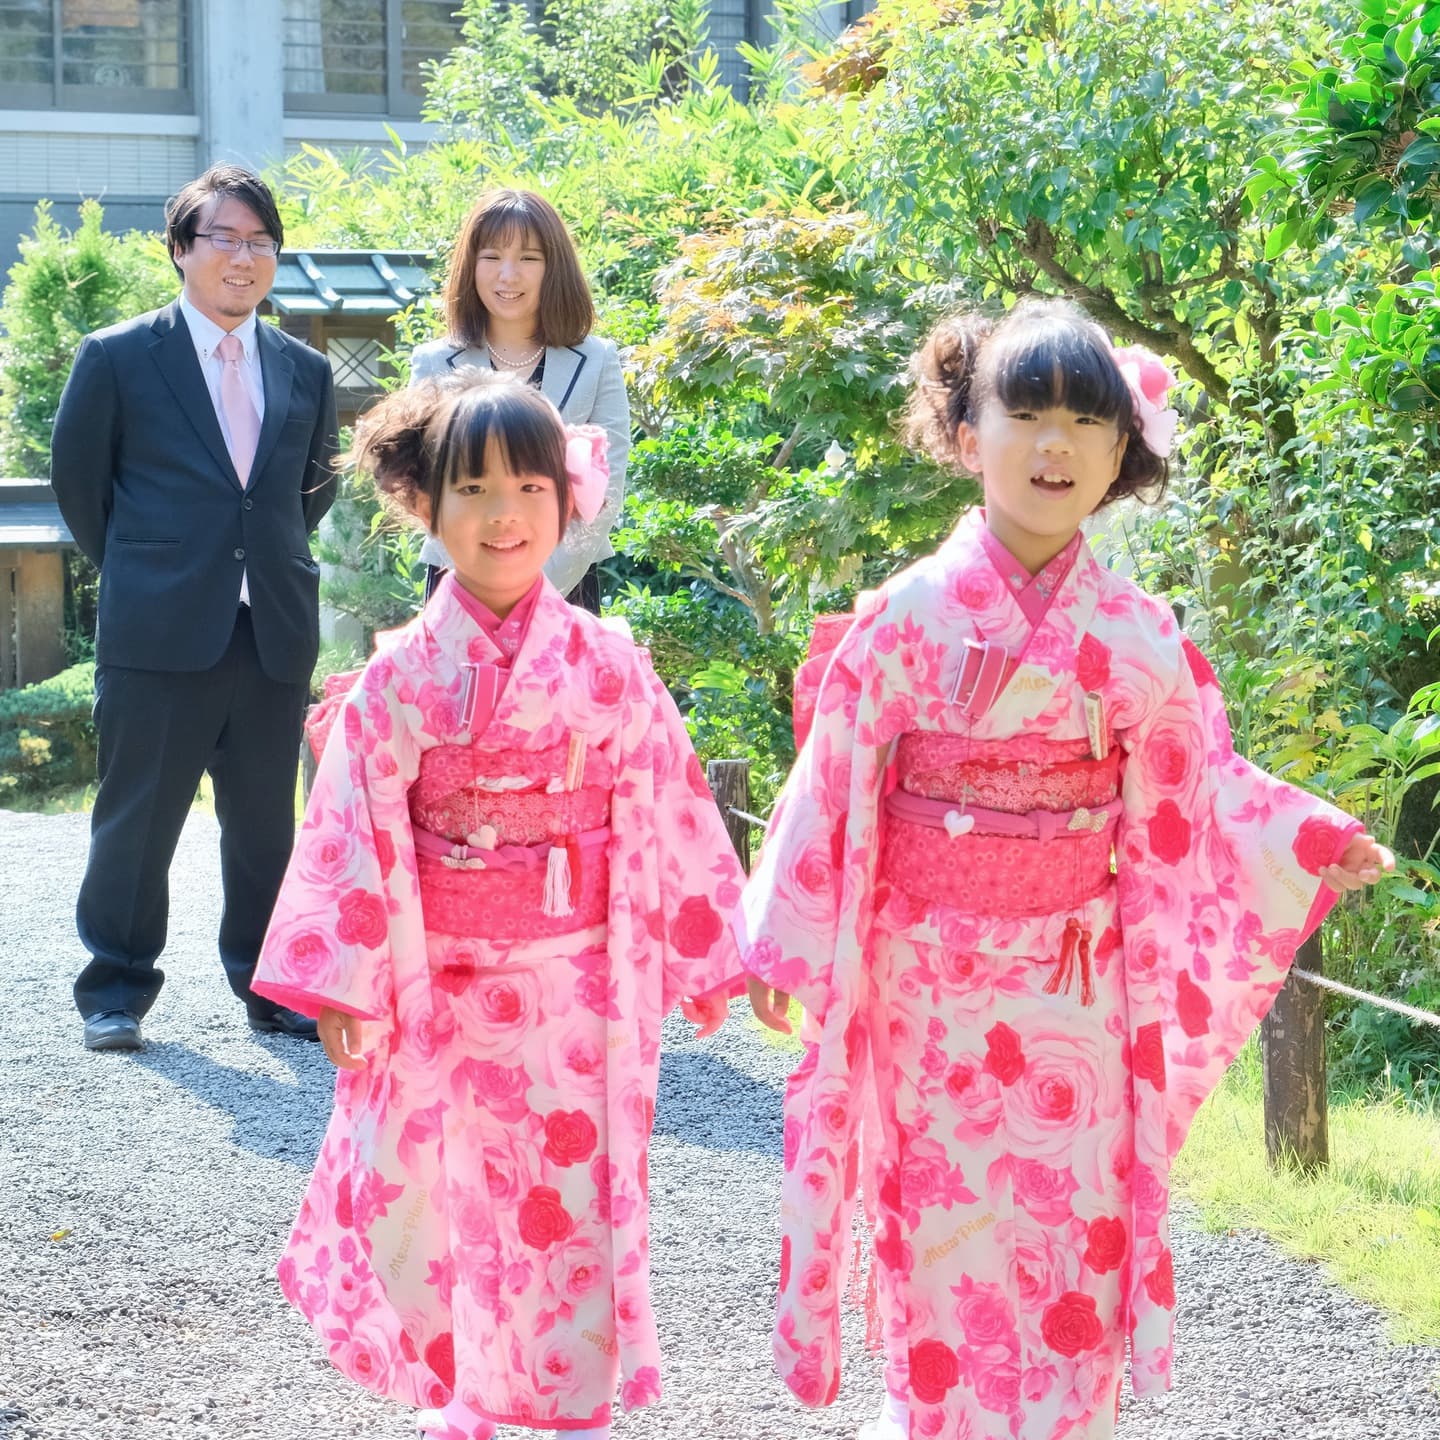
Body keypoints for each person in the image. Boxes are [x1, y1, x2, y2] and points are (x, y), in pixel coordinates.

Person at [736, 299, 1395, 1440]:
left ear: (1122, 450)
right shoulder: (903, 620)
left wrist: (1304, 838)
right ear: (964, 432)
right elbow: (830, 787)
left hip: (1074, 993)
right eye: (1024, 412)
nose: (1055, 445)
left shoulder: (1138, 634)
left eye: (1087, 420)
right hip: (927, 991)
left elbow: (1202, 788)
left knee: (1066, 1239)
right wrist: (783, 946)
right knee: (937, 1236)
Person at [251, 373, 744, 1440]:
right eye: (472, 488)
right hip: (439, 996)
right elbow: (353, 825)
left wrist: (702, 957)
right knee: (445, 1205)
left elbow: (670, 807)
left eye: (530, 484)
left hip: (580, 1000)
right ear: (425, 504)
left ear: (569, 503)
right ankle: (473, 1400)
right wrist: (344, 978)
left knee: (565, 1208)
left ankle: (563, 1410)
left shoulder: (610, 666)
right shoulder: (397, 678)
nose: (504, 513)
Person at [51, 164, 339, 1052]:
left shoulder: (306, 367)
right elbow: (80, 488)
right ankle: (116, 990)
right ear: (181, 250)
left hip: (271, 627)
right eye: (224, 238)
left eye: (260, 242)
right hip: (159, 630)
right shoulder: (117, 355)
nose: (243, 257)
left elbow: (310, 489)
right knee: (137, 820)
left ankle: (271, 986)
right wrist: (155, 570)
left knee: (265, 829)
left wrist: (256, 561)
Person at [410, 189, 630, 613]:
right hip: (460, 588)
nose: (508, 275)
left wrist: (539, 583)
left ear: (554, 268)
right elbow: (423, 483)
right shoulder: (434, 363)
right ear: (471, 265)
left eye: (529, 258)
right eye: (491, 256)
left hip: (566, 590)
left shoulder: (598, 360)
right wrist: (487, 580)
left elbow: (607, 487)